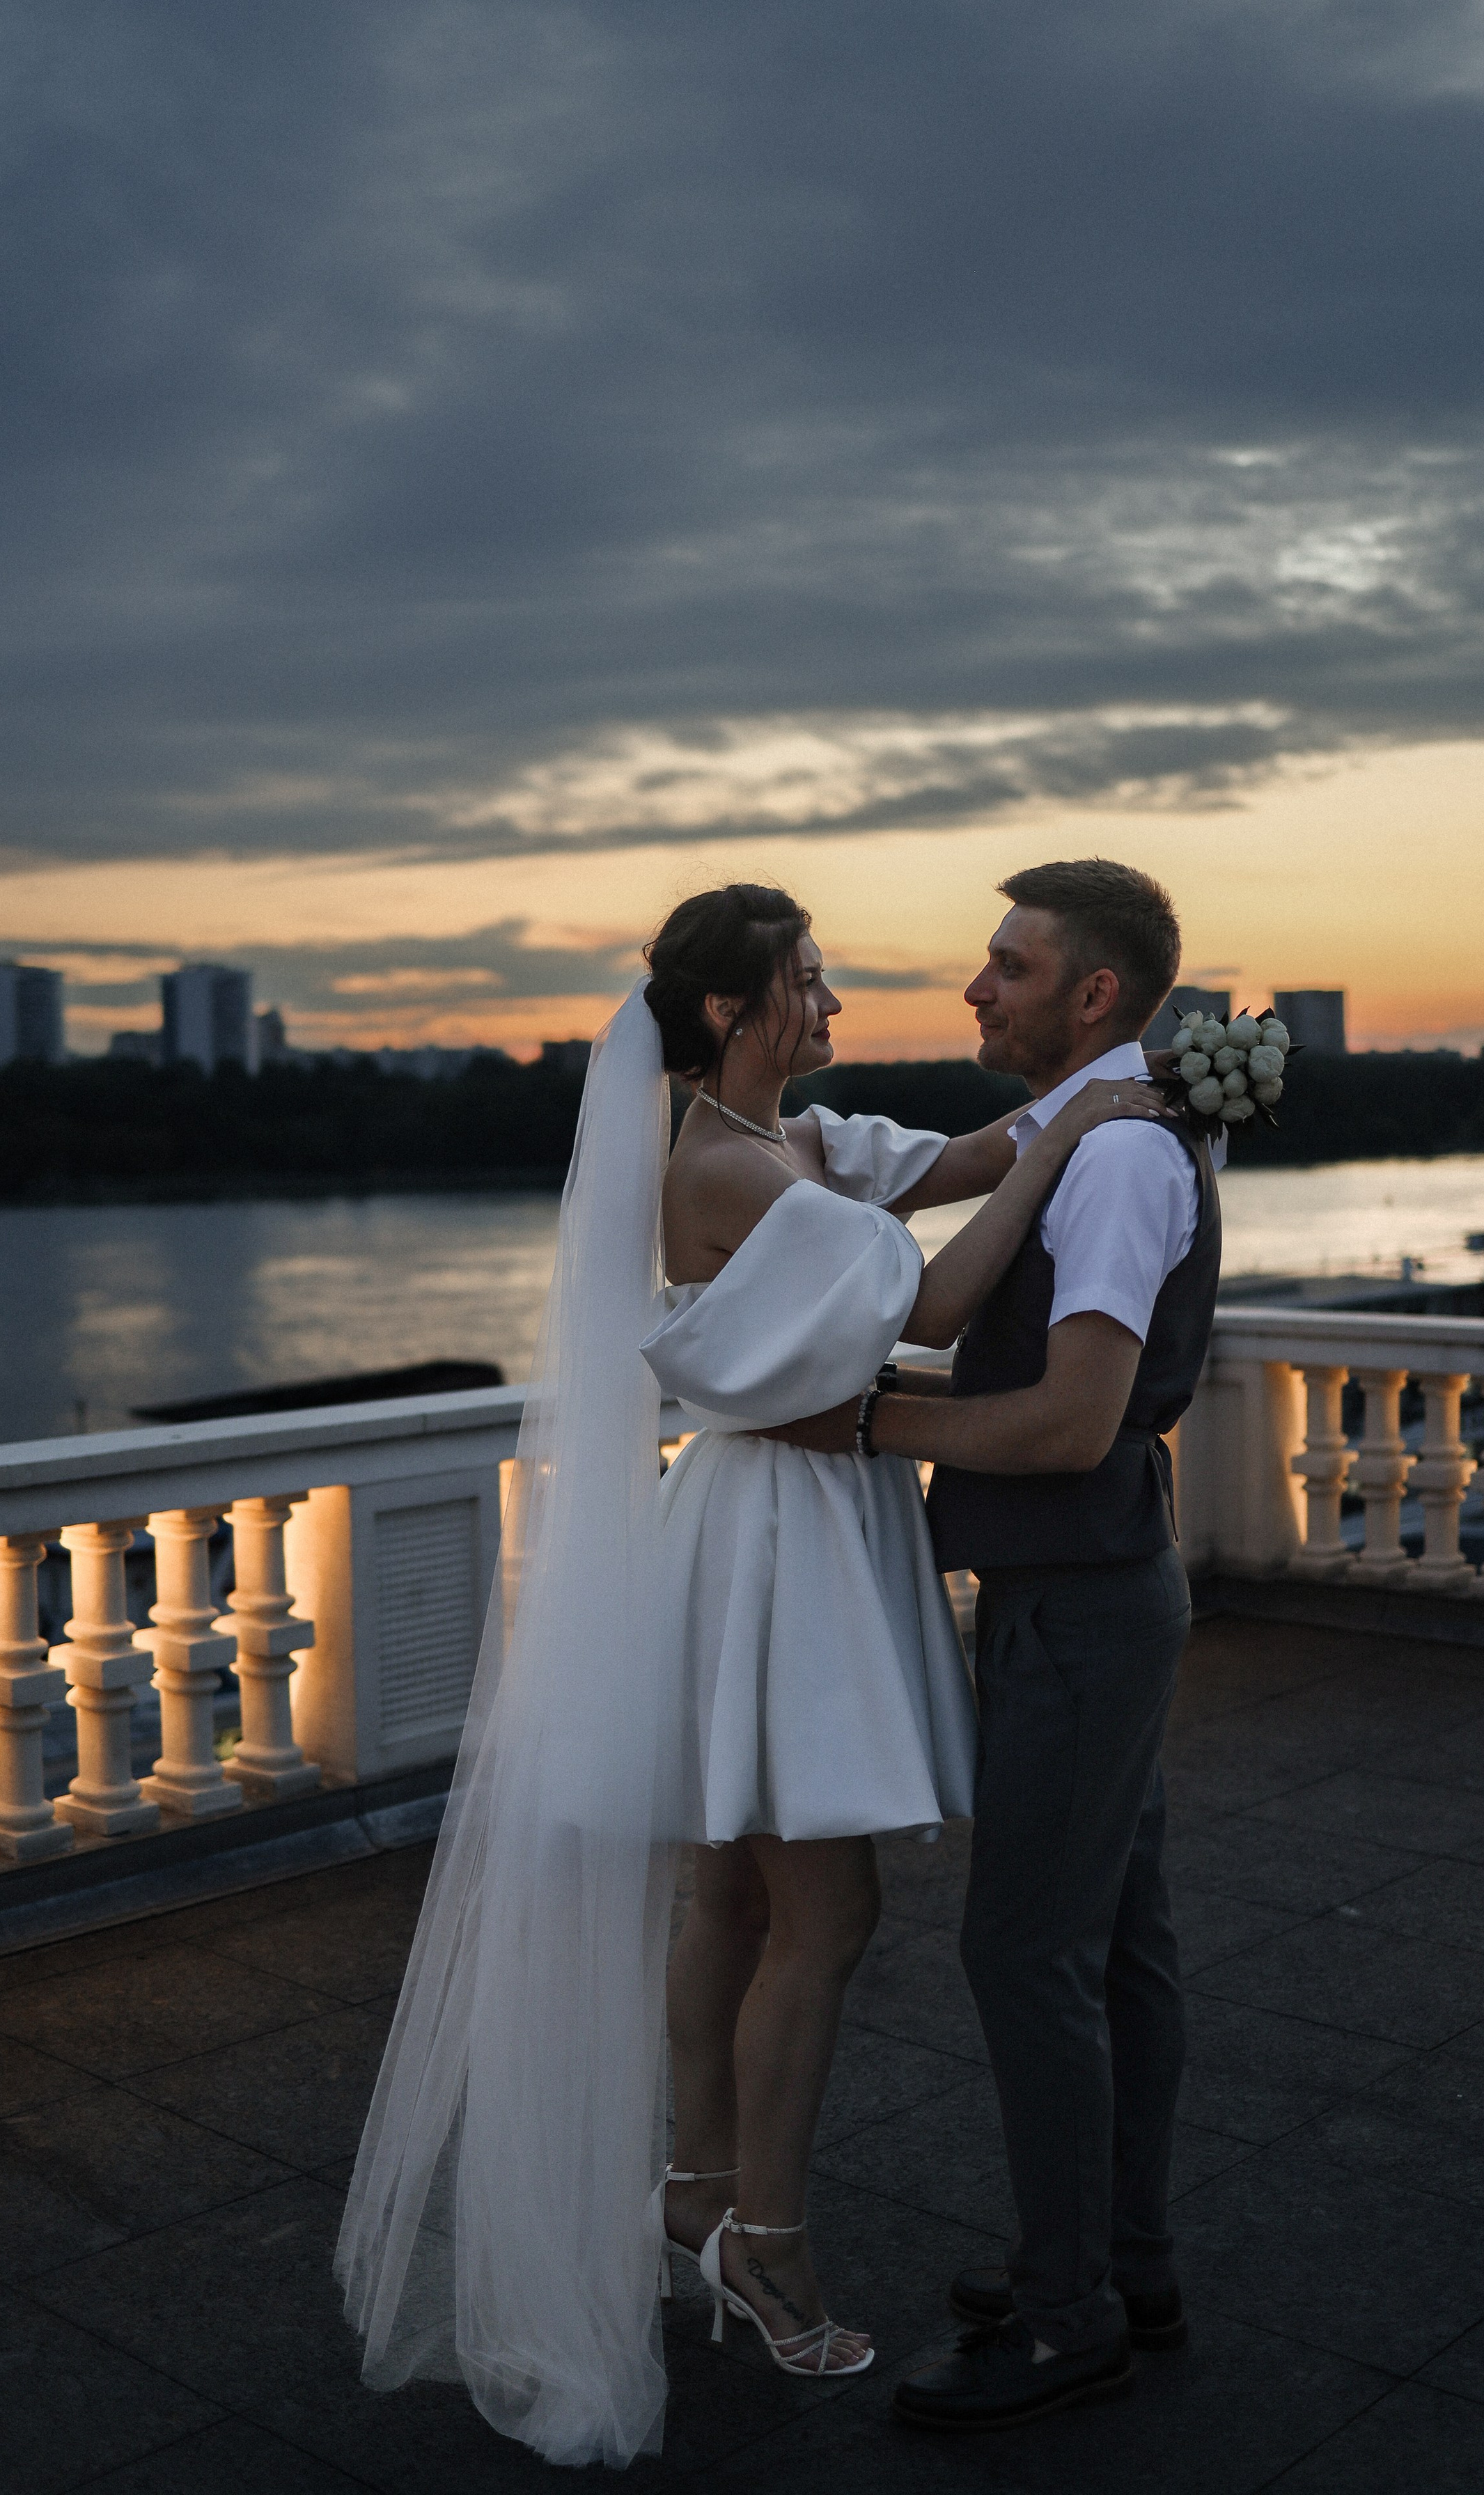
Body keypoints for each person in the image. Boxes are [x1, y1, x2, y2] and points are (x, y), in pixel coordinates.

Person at [335, 880, 1166, 2466]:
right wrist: (1068, 1145)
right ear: (729, 1012)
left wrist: (1104, 1099)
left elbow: (948, 1162)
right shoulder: (721, 1169)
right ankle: (765, 2244)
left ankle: (695, 2195)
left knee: (728, 1894)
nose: (831, 1005)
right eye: (804, 982)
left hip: (774, 1525)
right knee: (825, 1912)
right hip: (783, 1540)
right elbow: (923, 1295)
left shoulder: (791, 1145)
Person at [764, 858, 1221, 2435]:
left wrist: (857, 1423)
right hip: (1090, 1592)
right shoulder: (1079, 1134)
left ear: (1090, 995)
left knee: (1024, 1952)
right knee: (1114, 1945)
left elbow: (1067, 1420)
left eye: (1007, 966)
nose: (974, 987)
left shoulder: (1112, 1163)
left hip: (1080, 1609)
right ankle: (1118, 2261)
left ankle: (1064, 2315)